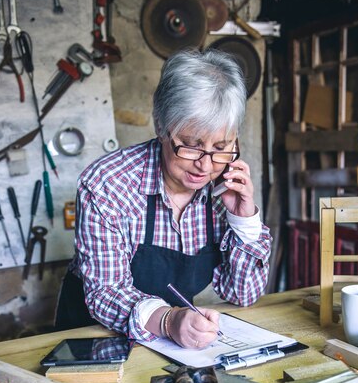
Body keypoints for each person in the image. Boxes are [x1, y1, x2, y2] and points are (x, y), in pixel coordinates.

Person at [55, 48, 272, 349]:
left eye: (221, 146)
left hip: (170, 345)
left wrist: (244, 220)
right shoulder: (107, 185)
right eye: (191, 146)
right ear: (160, 126)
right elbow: (105, 292)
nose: (206, 166)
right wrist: (169, 321)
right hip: (92, 336)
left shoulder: (225, 188)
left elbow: (243, 294)